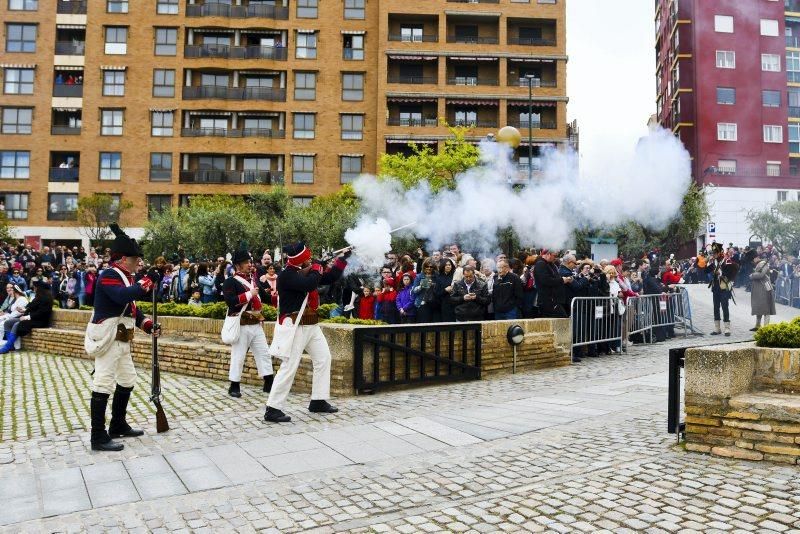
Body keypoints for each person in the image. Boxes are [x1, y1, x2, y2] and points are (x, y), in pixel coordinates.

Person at [85, 224, 160, 452]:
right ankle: (98, 436)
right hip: (108, 337)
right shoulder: (109, 275)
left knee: (127, 379)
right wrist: (147, 282)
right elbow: (121, 297)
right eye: (135, 258)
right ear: (123, 258)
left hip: (123, 338)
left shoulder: (126, 277)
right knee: (103, 383)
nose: (138, 262)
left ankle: (117, 424)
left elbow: (132, 310)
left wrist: (147, 325)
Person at [264, 242, 349, 423]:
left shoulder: (307, 271)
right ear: (301, 259)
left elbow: (330, 277)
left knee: (324, 358)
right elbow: (310, 284)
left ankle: (318, 400)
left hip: (312, 325)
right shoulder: (286, 275)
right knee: (289, 366)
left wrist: (342, 260)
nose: (310, 260)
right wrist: (317, 266)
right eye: (307, 258)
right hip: (296, 325)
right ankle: (273, 408)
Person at [223, 246, 273, 398]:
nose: (250, 265)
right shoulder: (231, 282)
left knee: (264, 353)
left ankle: (269, 381)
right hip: (242, 324)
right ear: (238, 265)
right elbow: (231, 302)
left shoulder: (254, 280)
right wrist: (248, 294)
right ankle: (234, 385)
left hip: (256, 323)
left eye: (250, 262)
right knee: (238, 356)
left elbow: (266, 298)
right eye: (246, 262)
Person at [0, 280, 54, 354]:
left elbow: (41, 313)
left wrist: (27, 317)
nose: (34, 289)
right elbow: (31, 307)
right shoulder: (38, 297)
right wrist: (23, 310)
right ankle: (11, 345)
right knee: (8, 322)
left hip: (40, 321)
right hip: (33, 318)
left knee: (17, 324)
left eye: (35, 288)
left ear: (40, 288)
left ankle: (7, 347)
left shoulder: (46, 299)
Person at [708, 243, 738, 336]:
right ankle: (717, 329)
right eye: (713, 253)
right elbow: (705, 271)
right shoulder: (714, 262)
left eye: (715, 253)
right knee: (716, 307)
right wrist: (708, 263)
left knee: (725, 307)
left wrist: (720, 274)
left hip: (724, 287)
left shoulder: (726, 261)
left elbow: (735, 269)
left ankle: (727, 328)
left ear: (720, 252)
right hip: (715, 287)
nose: (714, 254)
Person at [533, 250, 569, 318]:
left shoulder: (550, 264)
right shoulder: (541, 264)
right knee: (562, 317)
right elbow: (546, 281)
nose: (555, 258)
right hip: (548, 300)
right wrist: (562, 280)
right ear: (548, 254)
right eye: (554, 256)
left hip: (553, 299)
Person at [749, 256, 776, 331]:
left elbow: (761, 275)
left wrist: (752, 275)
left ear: (757, 257)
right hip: (759, 288)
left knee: (766, 307)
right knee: (759, 306)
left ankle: (766, 327)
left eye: (754, 258)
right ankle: (757, 325)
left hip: (764, 287)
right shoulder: (759, 264)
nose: (753, 260)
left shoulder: (763, 264)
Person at [435, 258, 457, 322]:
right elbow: (436, 292)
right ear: (443, 266)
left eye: (449, 265)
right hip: (443, 304)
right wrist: (445, 290)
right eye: (446, 265)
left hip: (455, 302)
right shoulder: (439, 277)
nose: (448, 266)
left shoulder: (455, 275)